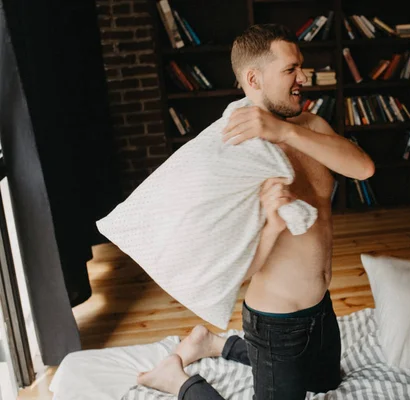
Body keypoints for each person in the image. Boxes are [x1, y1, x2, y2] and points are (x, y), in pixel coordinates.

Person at [136, 23, 375, 400]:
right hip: (276, 323)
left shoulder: (311, 126)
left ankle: (215, 345)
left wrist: (286, 132)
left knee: (326, 384)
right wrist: (273, 227)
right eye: (290, 70)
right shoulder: (231, 154)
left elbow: (363, 168)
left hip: (321, 309)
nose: (303, 77)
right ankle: (175, 378)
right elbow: (227, 274)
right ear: (254, 77)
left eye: (301, 67)